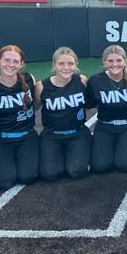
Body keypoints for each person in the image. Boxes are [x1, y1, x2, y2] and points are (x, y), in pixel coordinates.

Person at [0, 45, 39, 190]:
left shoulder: (29, 79)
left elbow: (35, 105)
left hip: (27, 137)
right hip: (2, 140)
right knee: (5, 182)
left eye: (15, 61)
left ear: (21, 64)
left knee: (28, 177)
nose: (11, 64)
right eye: (7, 60)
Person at [87, 45, 127, 173]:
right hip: (104, 127)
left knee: (125, 165)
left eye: (119, 60)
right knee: (100, 167)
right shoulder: (95, 80)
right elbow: (89, 104)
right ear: (104, 62)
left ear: (125, 61)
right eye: (110, 61)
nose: (115, 64)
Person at [34, 47, 91, 182]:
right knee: (49, 174)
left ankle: (82, 154)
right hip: (51, 135)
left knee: (76, 171)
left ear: (76, 65)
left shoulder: (82, 81)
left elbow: (90, 104)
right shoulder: (41, 86)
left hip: (77, 134)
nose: (66, 67)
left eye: (70, 63)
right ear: (54, 64)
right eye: (61, 63)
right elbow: (33, 108)